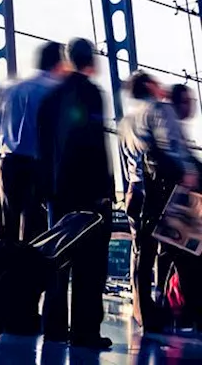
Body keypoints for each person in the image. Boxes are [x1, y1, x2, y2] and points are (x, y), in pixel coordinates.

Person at [36, 38, 113, 350]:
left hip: (57, 192)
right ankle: (84, 331)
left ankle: (53, 327)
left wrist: (45, 188)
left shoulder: (50, 97)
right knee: (91, 264)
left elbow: (42, 146)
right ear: (89, 60)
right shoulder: (91, 93)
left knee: (57, 258)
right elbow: (93, 142)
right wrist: (104, 190)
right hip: (87, 191)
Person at [120, 70, 199, 332]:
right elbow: (171, 145)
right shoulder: (159, 110)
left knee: (142, 256)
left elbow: (130, 162)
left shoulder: (126, 120)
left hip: (135, 193)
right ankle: (188, 312)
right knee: (182, 253)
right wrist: (190, 171)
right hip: (161, 192)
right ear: (149, 87)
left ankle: (145, 316)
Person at [0, 42, 67, 245]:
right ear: (59, 63)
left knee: (6, 229)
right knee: (35, 232)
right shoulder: (57, 91)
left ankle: (5, 273)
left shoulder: (11, 89)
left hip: (8, 162)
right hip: (39, 166)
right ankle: (28, 274)